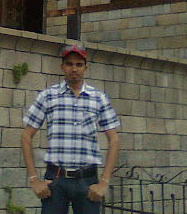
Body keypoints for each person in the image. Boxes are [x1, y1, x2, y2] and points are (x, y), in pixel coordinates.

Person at [21, 44, 120, 214]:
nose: (74, 69)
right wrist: (34, 179)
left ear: (85, 68)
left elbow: (114, 139)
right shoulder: (48, 96)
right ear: (62, 67)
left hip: (87, 181)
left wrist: (104, 182)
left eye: (79, 64)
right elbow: (26, 136)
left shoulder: (98, 98)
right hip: (56, 180)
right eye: (69, 64)